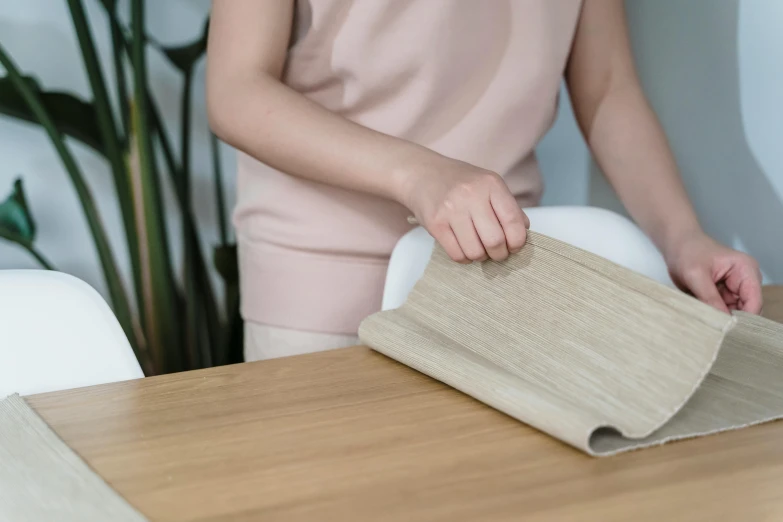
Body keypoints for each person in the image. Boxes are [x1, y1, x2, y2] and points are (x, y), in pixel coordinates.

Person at [207, 0, 763, 362]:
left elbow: (608, 86)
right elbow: (236, 90)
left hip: (499, 275)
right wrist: (418, 173)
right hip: (321, 282)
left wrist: (682, 236)